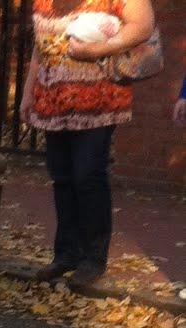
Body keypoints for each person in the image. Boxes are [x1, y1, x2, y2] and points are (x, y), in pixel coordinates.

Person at [19, 0, 156, 286]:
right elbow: (40, 45)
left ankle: (93, 259)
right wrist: (28, 92)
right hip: (53, 100)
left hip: (99, 100)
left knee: (87, 176)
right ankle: (66, 254)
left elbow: (142, 27)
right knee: (62, 177)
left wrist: (97, 49)